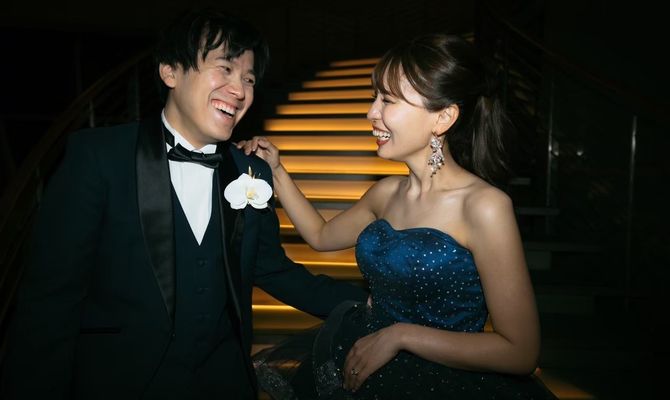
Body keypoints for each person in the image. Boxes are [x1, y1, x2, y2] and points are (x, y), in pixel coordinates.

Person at [0, 8, 367, 400]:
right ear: (170, 72)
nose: (240, 90)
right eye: (225, 68)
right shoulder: (99, 158)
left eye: (248, 78)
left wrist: (374, 305)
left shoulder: (251, 170)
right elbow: (50, 304)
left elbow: (274, 270)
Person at [244, 34, 557, 399]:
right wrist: (277, 171)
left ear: (443, 117)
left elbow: (521, 352)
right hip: (365, 362)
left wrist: (401, 336)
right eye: (374, 97)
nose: (371, 113)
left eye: (388, 100)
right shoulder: (386, 192)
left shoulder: (484, 206)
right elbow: (321, 236)